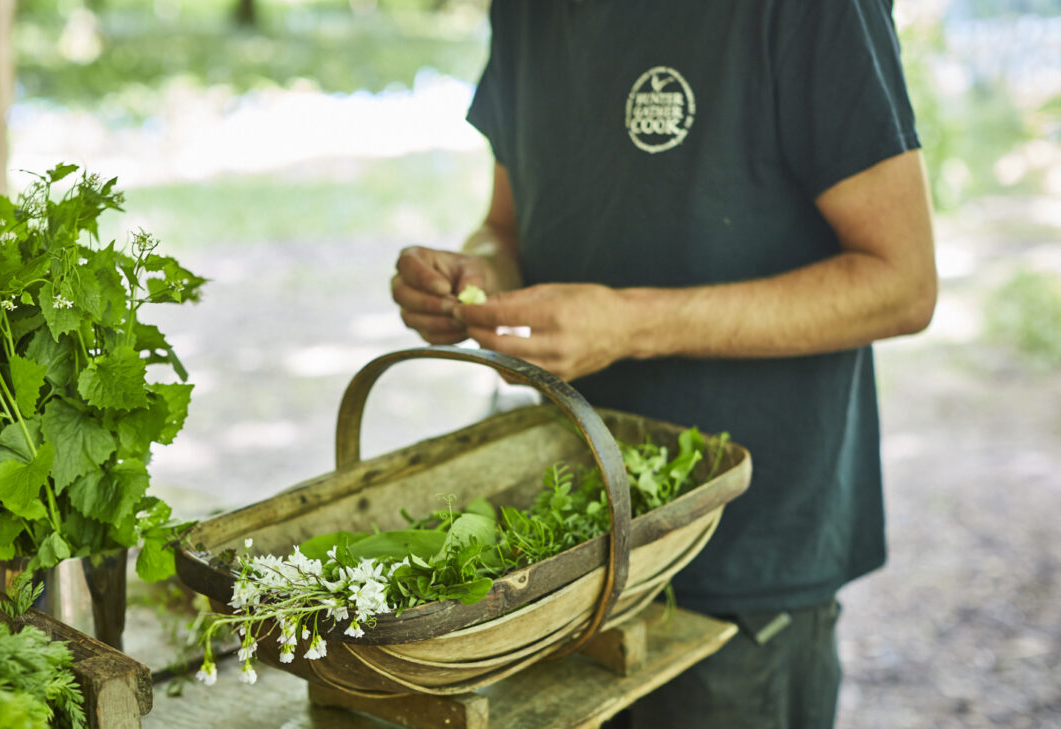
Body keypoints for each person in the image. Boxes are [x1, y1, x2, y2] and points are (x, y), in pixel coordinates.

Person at [389, 1, 937, 727]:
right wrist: (476, 279)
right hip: (565, 553)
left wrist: (631, 324)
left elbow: (903, 282)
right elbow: (506, 225)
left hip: (742, 547)